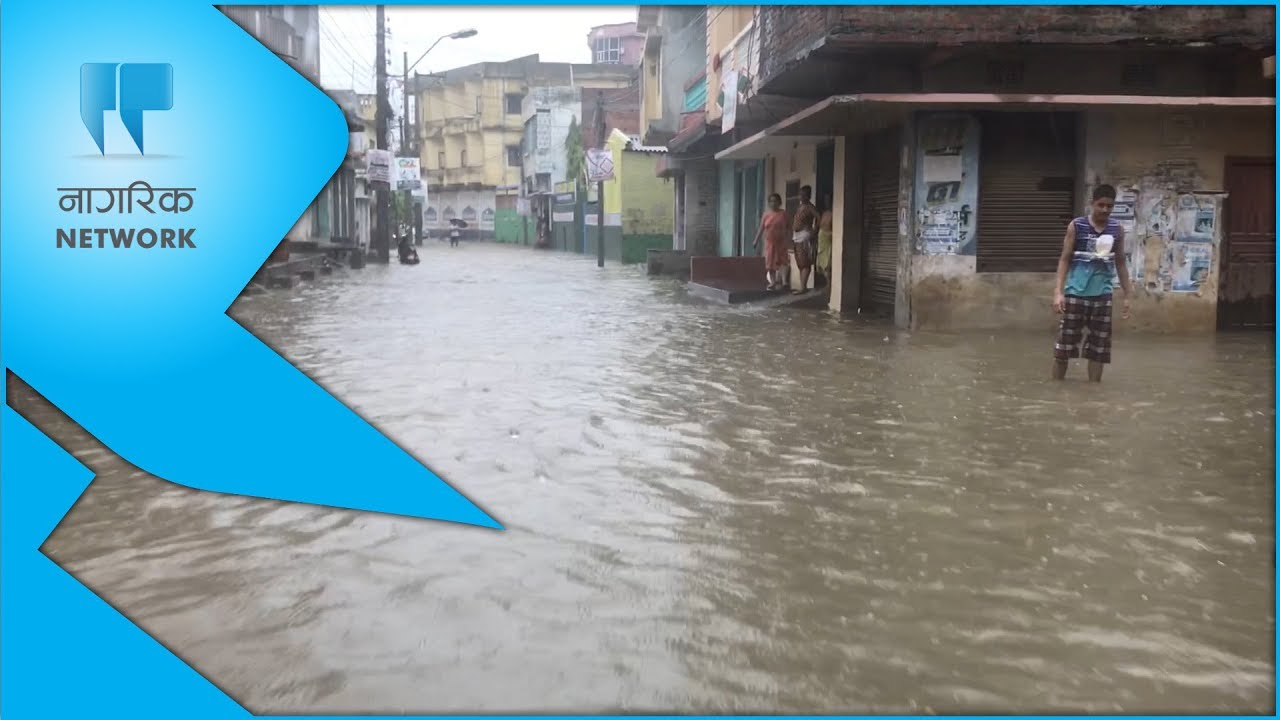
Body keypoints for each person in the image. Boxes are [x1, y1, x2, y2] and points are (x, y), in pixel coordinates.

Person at [1052, 184, 1133, 382]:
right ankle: (1055, 388)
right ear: (1092, 204)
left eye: (1109, 206)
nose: (1105, 210)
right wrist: (1058, 292)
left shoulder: (1117, 229)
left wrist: (1128, 294)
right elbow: (1065, 259)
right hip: (1075, 295)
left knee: (1099, 350)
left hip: (1102, 297)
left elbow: (1121, 262)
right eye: (1101, 205)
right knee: (1064, 348)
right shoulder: (1077, 226)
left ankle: (1093, 393)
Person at [752, 193, 790, 291]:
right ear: (769, 203)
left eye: (775, 201)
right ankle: (772, 282)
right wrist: (756, 240)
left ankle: (785, 281)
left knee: (783, 261)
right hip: (770, 242)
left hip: (781, 242)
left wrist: (790, 239)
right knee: (770, 263)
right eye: (771, 201)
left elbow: (789, 227)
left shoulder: (783, 214)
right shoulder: (766, 214)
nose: (773, 203)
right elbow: (761, 228)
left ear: (779, 202)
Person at [791, 185, 820, 295]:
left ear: (808, 196)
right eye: (800, 194)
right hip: (797, 236)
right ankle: (802, 286)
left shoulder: (809, 207)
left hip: (804, 235)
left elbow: (818, 217)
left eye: (803, 195)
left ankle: (803, 287)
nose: (801, 197)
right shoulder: (800, 207)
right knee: (800, 262)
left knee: (804, 263)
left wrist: (814, 230)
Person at [817, 194, 834, 288]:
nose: (826, 202)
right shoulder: (824, 213)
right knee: (821, 261)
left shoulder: (833, 213)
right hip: (822, 239)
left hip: (828, 239)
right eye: (825, 200)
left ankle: (829, 283)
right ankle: (827, 282)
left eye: (828, 200)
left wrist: (830, 234)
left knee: (827, 262)